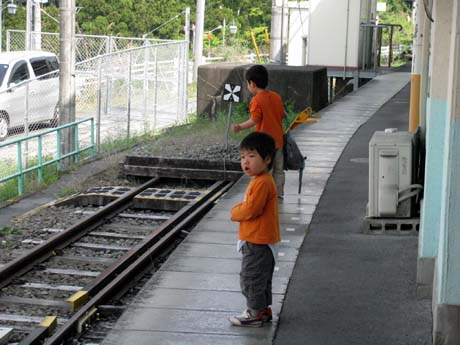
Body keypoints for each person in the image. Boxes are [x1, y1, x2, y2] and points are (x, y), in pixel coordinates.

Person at [229, 131, 280, 327]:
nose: (245, 162)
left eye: (251, 156)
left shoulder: (262, 182)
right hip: (263, 238)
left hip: (257, 240)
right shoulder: (262, 180)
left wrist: (234, 212)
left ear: (267, 159)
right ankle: (263, 310)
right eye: (243, 157)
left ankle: (254, 313)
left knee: (251, 277)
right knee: (262, 277)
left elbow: (251, 209)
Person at [232, 64, 286, 197]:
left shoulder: (256, 100)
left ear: (252, 83)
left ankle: (264, 193)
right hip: (278, 141)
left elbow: (254, 120)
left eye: (248, 83)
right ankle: (278, 194)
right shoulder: (276, 96)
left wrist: (239, 127)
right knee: (278, 170)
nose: (248, 86)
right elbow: (283, 114)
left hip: (263, 144)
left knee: (263, 170)